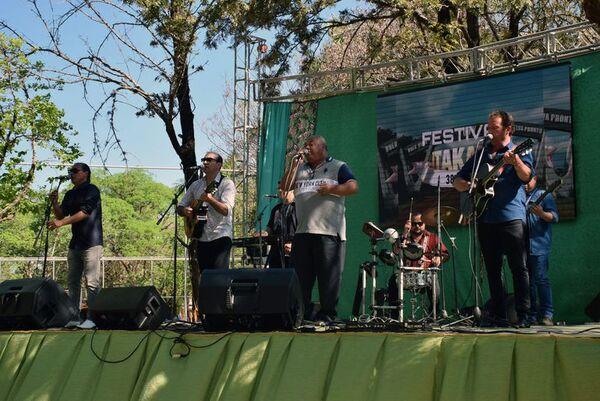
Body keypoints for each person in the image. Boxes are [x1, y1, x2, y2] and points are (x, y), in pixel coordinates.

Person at [453, 110, 534, 327]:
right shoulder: (481, 154)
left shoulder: (519, 150)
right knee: (493, 268)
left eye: (494, 127)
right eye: (488, 127)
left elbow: (527, 176)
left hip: (511, 217)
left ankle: (524, 315)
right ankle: (499, 315)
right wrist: (471, 185)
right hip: (485, 218)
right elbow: (457, 180)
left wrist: (515, 162)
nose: (489, 131)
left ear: (508, 129)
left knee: (519, 267)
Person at [280, 135, 359, 323]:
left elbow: (353, 186)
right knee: (300, 279)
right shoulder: (301, 169)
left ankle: (327, 315)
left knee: (328, 279)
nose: (307, 148)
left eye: (311, 145)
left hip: (329, 233)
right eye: (305, 145)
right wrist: (294, 165)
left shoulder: (338, 166)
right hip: (302, 232)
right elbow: (284, 187)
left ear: (323, 148)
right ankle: (301, 314)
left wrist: (333, 189)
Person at [48, 162, 103, 324]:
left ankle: (92, 319)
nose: (71, 173)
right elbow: (60, 215)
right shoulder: (70, 194)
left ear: (85, 173)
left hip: (92, 243)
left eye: (75, 171)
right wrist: (55, 203)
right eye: (70, 171)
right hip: (75, 244)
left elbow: (85, 212)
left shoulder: (92, 190)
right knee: (72, 282)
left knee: (91, 282)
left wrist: (62, 223)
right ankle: (74, 317)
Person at [177, 151, 236, 271]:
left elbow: (226, 210)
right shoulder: (195, 185)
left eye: (209, 160)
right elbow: (180, 207)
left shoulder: (226, 184)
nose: (205, 162)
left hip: (221, 236)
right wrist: (185, 211)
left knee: (219, 278)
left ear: (219, 165)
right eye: (203, 160)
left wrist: (210, 199)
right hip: (201, 237)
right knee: (205, 277)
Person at [388, 213, 449, 316]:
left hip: (425, 274)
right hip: (405, 273)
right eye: (414, 224)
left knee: (434, 281)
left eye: (420, 224)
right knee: (393, 281)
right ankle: (395, 316)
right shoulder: (404, 237)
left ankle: (433, 315)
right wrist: (403, 234)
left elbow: (445, 254)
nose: (417, 226)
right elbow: (396, 252)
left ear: (424, 224)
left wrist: (439, 258)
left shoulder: (433, 237)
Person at [525, 176, 559, 326]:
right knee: (528, 283)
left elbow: (555, 217)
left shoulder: (544, 195)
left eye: (528, 182)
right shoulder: (519, 196)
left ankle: (547, 314)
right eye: (523, 183)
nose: (525, 185)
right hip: (522, 247)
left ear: (535, 179)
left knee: (541, 279)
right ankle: (531, 315)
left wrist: (541, 213)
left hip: (539, 245)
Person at [265, 188, 297, 268]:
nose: (280, 190)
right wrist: (263, 234)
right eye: (279, 188)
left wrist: (294, 245)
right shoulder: (276, 209)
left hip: (294, 250)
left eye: (283, 188)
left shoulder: (298, 207)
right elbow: (269, 229)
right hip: (277, 251)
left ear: (292, 191)